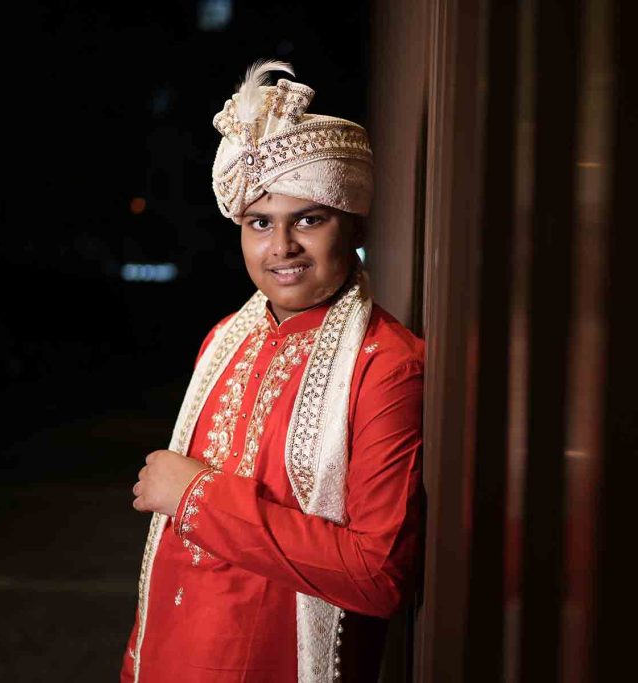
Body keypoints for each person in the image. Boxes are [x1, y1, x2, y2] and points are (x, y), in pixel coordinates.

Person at [120, 60, 424, 683]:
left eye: (308, 220)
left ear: (354, 223)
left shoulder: (387, 366)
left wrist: (194, 495)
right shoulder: (224, 339)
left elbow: (376, 575)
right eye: (260, 223)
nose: (280, 247)